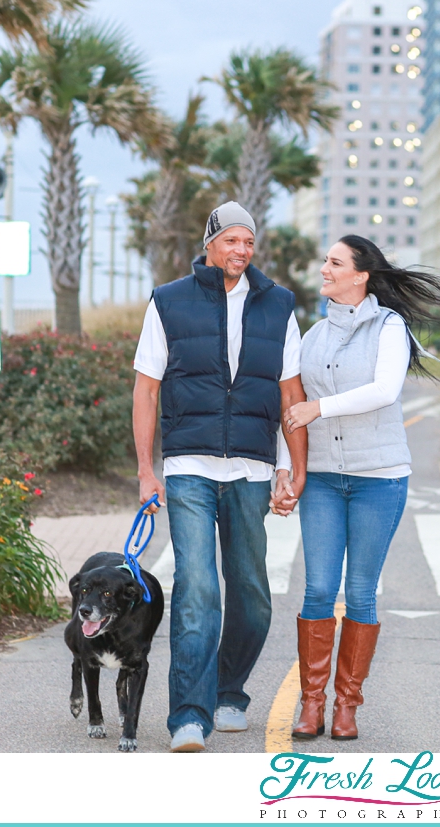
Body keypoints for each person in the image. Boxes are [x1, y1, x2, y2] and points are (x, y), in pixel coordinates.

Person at [131, 200, 307, 753]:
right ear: (210, 242)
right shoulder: (169, 301)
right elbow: (146, 390)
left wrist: (290, 469)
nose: (241, 251)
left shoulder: (279, 306)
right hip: (188, 468)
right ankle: (188, 713)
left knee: (252, 593)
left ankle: (229, 690)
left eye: (249, 242)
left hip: (252, 469)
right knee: (198, 588)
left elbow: (290, 395)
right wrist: (145, 470)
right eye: (232, 240)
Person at [276, 234, 440, 741]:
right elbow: (290, 405)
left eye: (334, 263)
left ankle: (346, 706)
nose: (324, 269)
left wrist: (320, 408)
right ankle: (311, 704)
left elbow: (384, 390)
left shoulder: (390, 327)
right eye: (325, 262)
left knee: (360, 592)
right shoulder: (311, 336)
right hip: (324, 483)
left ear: (360, 274)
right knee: (317, 587)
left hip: (378, 479)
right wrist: (283, 467)